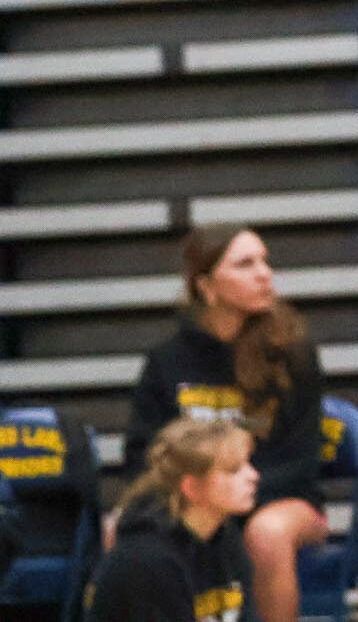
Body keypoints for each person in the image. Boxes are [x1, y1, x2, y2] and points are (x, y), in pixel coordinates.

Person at [125, 227, 327, 622]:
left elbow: (300, 462)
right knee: (121, 529)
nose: (264, 273)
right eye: (245, 264)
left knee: (266, 534)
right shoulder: (167, 361)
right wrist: (201, 498)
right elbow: (143, 453)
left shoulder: (293, 355)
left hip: (282, 499)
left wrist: (227, 496)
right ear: (206, 286)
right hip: (196, 495)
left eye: (265, 261)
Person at [89, 419, 258, 622]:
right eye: (234, 470)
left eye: (248, 464)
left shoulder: (225, 538)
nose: (253, 476)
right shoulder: (146, 560)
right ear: (192, 487)